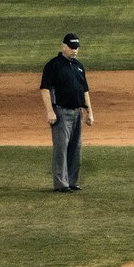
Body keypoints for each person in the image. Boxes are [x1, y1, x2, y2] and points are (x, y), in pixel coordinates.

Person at [39, 33, 94, 192]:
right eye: (71, 47)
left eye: (76, 48)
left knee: (75, 148)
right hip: (61, 112)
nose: (74, 50)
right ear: (64, 46)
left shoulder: (79, 66)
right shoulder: (53, 65)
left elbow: (85, 91)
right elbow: (45, 89)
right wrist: (50, 111)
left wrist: (89, 111)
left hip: (77, 113)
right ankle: (61, 184)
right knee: (61, 149)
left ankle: (72, 181)